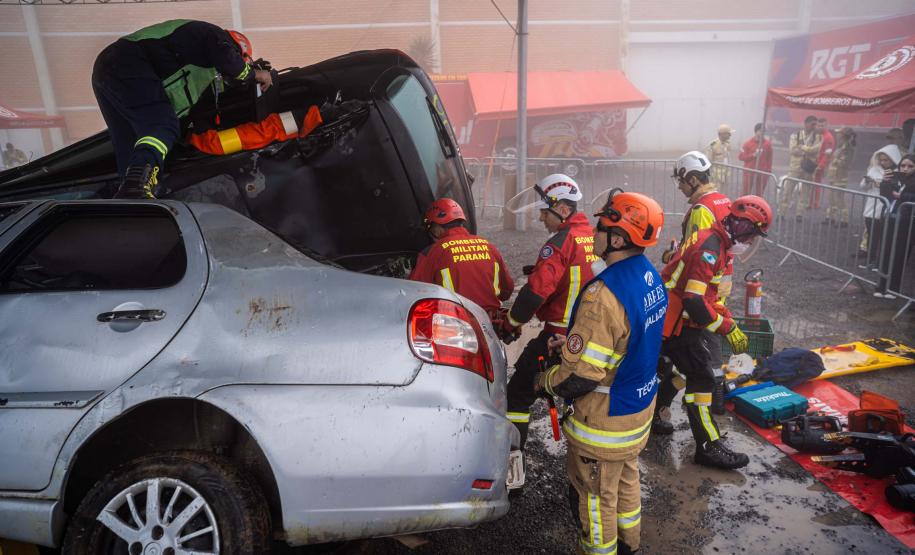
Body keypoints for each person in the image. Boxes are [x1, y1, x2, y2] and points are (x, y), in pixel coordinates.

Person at [537, 190, 667, 555]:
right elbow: (624, 340)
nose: (593, 233)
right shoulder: (647, 276)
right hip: (636, 411)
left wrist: (545, 380)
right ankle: (631, 546)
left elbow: (580, 378)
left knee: (594, 500)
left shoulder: (602, 296)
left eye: (600, 226)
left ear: (619, 238)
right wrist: (573, 349)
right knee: (625, 483)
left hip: (604, 424)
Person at [92, 20, 273, 199]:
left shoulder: (191, 62)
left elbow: (180, 105)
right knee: (162, 125)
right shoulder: (217, 36)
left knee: (130, 140)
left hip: (106, 70)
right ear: (238, 48)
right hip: (127, 60)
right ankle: (136, 185)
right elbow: (230, 61)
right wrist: (253, 73)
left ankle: (129, 192)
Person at [660, 195, 772, 469]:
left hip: (674, 322)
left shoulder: (717, 243)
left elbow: (708, 297)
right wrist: (726, 328)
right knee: (702, 379)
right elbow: (694, 300)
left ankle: (654, 417)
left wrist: (729, 319)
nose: (748, 241)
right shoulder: (710, 247)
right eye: (749, 233)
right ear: (739, 223)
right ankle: (708, 447)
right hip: (675, 325)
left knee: (681, 372)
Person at [500, 174, 596, 451]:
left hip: (558, 338)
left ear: (563, 209)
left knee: (517, 395)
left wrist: (511, 323)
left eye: (544, 212)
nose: (541, 219)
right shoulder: (592, 237)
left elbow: (535, 292)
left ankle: (513, 463)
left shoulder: (560, 243)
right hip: (590, 336)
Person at [653, 151, 732, 435]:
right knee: (696, 357)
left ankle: (666, 410)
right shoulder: (723, 201)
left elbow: (693, 255)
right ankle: (675, 408)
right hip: (716, 289)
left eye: (681, 182)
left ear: (694, 179)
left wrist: (670, 256)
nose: (680, 187)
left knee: (688, 357)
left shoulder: (701, 210)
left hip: (697, 296)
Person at [409, 198, 513, 314]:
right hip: (489, 321)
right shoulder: (488, 246)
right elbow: (507, 289)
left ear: (437, 227)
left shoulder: (433, 251)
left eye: (430, 227)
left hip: (455, 322)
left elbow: (414, 290)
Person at [874, 154, 915, 299]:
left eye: (910, 166)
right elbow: (884, 193)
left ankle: (893, 289)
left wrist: (901, 196)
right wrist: (885, 182)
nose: (905, 169)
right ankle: (881, 286)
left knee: (899, 256)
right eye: (903, 165)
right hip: (890, 219)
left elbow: (908, 198)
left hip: (907, 224)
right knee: (885, 252)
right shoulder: (895, 177)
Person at [859, 145, 902, 270]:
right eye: (881, 159)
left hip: (886, 209)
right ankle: (870, 261)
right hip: (871, 207)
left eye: (886, 160)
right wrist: (867, 181)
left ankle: (880, 263)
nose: (883, 162)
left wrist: (881, 183)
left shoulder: (898, 173)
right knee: (871, 236)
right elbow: (862, 186)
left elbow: (898, 189)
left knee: (883, 238)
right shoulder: (874, 169)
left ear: (893, 159)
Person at [780, 115, 822, 220]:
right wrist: (808, 150)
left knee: (805, 193)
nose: (814, 126)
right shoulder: (796, 135)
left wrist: (802, 149)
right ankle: (782, 213)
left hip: (808, 169)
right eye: (812, 124)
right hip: (795, 168)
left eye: (815, 124)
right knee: (787, 191)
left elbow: (816, 151)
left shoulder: (818, 137)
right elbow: (793, 150)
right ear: (806, 124)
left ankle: (800, 214)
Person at [823, 127, 856, 228]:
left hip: (841, 177)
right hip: (833, 176)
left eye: (839, 133)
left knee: (839, 199)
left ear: (844, 135)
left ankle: (844, 219)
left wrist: (834, 158)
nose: (837, 135)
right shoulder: (840, 146)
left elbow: (845, 163)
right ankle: (830, 217)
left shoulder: (849, 148)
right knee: (831, 198)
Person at [738, 123, 773, 196]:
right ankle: (742, 205)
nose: (762, 133)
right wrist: (753, 155)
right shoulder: (747, 143)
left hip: (762, 173)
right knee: (746, 192)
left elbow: (769, 159)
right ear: (756, 131)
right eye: (760, 131)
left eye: (764, 131)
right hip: (749, 172)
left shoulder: (767, 144)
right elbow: (741, 157)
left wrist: (768, 172)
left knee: (759, 194)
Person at [809, 118, 835, 208]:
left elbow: (827, 154)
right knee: (812, 183)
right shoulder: (819, 135)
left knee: (816, 184)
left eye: (822, 125)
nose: (820, 127)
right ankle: (810, 202)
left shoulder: (828, 137)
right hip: (815, 163)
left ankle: (815, 203)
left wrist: (820, 166)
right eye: (819, 125)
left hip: (819, 165)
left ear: (827, 125)